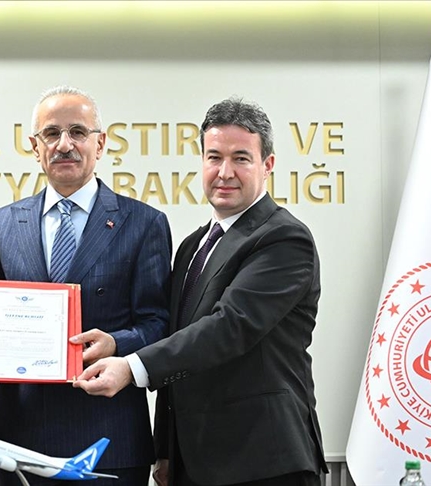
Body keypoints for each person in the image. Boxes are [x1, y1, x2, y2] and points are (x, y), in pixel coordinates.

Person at [74, 97, 327, 486]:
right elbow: (178, 339)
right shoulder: (193, 246)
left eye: (241, 158)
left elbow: (230, 326)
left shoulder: (284, 238)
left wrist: (131, 367)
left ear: (268, 165)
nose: (225, 172)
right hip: (194, 462)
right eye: (214, 157)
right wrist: (166, 448)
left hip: (264, 461)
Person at [0, 86, 173, 485]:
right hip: (21, 441)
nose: (64, 144)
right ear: (35, 147)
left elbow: (159, 323)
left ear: (100, 144)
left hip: (109, 438)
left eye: (78, 132)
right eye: (51, 134)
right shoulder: (2, 224)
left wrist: (116, 343)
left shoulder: (144, 224)